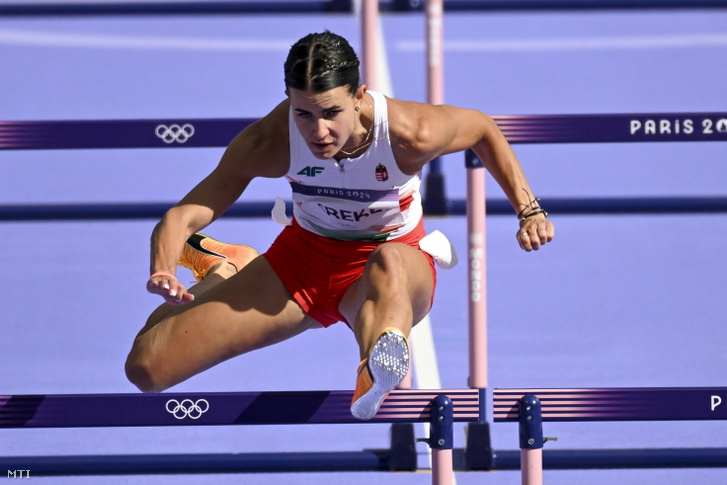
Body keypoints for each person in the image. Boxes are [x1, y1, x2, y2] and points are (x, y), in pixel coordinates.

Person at [125, 31, 554, 420]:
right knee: (146, 367)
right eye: (303, 114)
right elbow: (183, 217)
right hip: (299, 266)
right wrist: (163, 268)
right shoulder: (271, 141)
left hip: (392, 261)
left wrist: (528, 209)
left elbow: (481, 127)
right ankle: (228, 267)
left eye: (331, 113)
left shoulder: (410, 133)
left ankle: (377, 365)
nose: (319, 131)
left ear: (359, 96)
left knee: (388, 266)